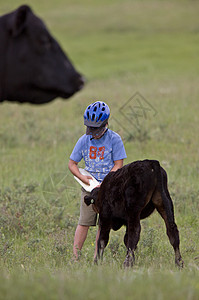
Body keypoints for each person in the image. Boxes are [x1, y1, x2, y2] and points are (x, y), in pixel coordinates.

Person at [68, 101, 127, 260]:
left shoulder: (115, 139)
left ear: (106, 124)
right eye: (91, 129)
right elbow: (72, 164)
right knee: (84, 222)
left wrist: (106, 182)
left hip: (108, 189)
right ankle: (75, 257)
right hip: (89, 188)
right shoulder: (83, 140)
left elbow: (118, 165)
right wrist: (81, 177)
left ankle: (97, 257)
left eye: (97, 129)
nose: (93, 133)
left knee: (103, 223)